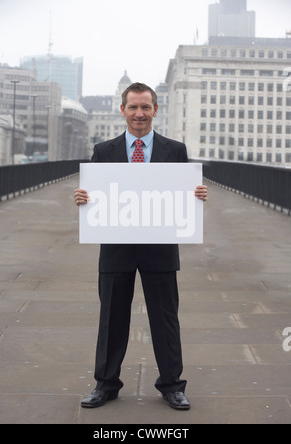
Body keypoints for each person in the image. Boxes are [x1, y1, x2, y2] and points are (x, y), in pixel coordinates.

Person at [74, 82, 207, 410]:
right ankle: (106, 384)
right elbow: (97, 195)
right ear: (123, 110)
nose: (139, 113)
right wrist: (83, 199)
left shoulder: (174, 150)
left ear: (155, 110)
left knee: (165, 316)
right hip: (117, 245)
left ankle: (172, 384)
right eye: (133, 107)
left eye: (145, 107)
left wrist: (196, 195)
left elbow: (180, 193)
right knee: (111, 316)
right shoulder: (104, 151)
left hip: (159, 245)